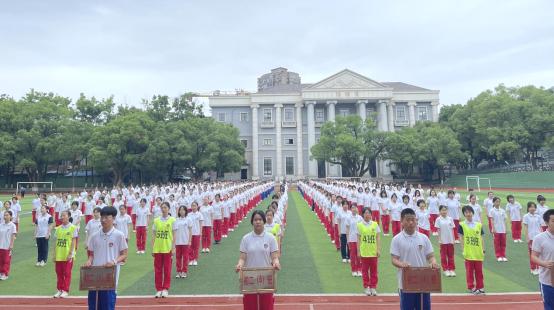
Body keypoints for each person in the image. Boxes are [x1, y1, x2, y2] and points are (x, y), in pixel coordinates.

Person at [390, 208, 438, 310]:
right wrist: (402, 264)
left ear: (416, 220)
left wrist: (433, 263)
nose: (411, 222)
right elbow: (394, 259)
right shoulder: (396, 239)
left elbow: (431, 256)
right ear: (402, 221)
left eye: (413, 219)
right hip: (406, 283)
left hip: (423, 282)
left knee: (424, 308)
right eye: (407, 220)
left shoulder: (424, 238)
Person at [83, 206, 128, 310]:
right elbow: (91, 254)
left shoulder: (119, 235)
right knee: (93, 304)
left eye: (107, 217)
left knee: (108, 304)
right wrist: (89, 261)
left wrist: (114, 261)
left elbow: (124, 254)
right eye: (102, 217)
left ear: (113, 218)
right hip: (95, 275)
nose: (103, 220)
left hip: (110, 274)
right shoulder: (94, 236)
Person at [236, 210, 280, 310]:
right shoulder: (246, 239)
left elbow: (274, 257)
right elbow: (242, 258)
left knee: (267, 306)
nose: (258, 222)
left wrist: (276, 263)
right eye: (255, 220)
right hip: (250, 278)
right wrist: (239, 265)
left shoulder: (270, 238)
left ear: (264, 221)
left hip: (266, 278)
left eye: (260, 219)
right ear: (252, 222)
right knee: (250, 305)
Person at [458, 205, 486, 295]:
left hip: (478, 252)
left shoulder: (478, 224)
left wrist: (483, 249)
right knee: (469, 271)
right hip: (468, 252)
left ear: (472, 213)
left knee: (479, 271)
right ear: (464, 214)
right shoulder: (461, 225)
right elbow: (461, 238)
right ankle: (471, 287)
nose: (468, 214)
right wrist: (463, 250)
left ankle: (480, 287)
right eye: (466, 212)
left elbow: (481, 238)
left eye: (469, 212)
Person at [531, 209, 554, 310]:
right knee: (549, 307)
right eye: (553, 221)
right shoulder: (539, 238)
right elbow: (533, 256)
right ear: (546, 222)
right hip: (547, 282)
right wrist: (544, 263)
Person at [152, 202, 176, 298]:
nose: (163, 209)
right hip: (157, 249)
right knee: (158, 270)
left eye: (165, 207)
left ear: (169, 209)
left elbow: (174, 235)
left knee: (167, 270)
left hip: (167, 249)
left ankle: (165, 288)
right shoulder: (156, 220)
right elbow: (153, 234)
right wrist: (153, 248)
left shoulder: (173, 220)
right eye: (162, 207)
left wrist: (173, 247)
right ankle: (158, 289)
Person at [53, 210, 78, 298]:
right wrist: (54, 254)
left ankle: (65, 290)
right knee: (59, 273)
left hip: (68, 255)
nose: (62, 217)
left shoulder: (73, 228)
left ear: (69, 216)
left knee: (67, 273)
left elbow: (74, 241)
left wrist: (70, 253)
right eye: (61, 215)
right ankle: (59, 289)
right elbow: (55, 242)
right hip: (59, 255)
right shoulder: (58, 228)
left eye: (64, 215)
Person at [357, 207, 381, 296]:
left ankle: (373, 287)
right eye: (365, 213)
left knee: (374, 271)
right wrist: (358, 251)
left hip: (373, 252)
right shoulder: (359, 225)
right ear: (363, 214)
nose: (367, 215)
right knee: (365, 271)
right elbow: (358, 239)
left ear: (371, 214)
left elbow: (378, 237)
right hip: (364, 252)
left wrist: (378, 249)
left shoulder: (375, 224)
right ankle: (366, 287)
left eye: (369, 213)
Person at [435, 205, 456, 277]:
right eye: (442, 210)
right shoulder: (438, 219)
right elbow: (438, 230)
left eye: (445, 210)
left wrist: (453, 239)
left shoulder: (450, 218)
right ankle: (445, 269)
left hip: (450, 240)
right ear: (440, 211)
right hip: (443, 241)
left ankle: (452, 269)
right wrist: (439, 240)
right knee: (443, 256)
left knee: (451, 255)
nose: (444, 211)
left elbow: (452, 229)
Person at [523, 202, 542, 275]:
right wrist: (527, 237)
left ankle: (538, 268)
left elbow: (540, 227)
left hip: (538, 237)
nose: (532, 208)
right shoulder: (526, 216)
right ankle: (533, 268)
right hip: (531, 238)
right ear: (528, 208)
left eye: (534, 207)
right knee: (532, 253)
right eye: (531, 207)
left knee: (539, 253)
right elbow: (526, 228)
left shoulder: (538, 216)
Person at [174, 206, 192, 278]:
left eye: (183, 210)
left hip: (185, 241)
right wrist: (174, 241)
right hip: (178, 242)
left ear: (185, 211)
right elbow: (174, 231)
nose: (181, 211)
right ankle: (178, 271)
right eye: (180, 210)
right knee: (178, 257)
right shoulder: (176, 220)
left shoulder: (188, 219)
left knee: (185, 257)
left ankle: (184, 271)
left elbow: (190, 231)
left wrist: (190, 240)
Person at [490, 197, 508, 262]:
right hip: (496, 229)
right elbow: (491, 220)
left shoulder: (502, 210)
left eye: (498, 201)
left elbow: (505, 220)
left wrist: (506, 228)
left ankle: (503, 255)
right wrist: (493, 228)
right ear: (494, 202)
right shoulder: (492, 210)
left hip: (502, 229)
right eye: (496, 202)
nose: (498, 203)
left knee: (503, 243)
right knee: (497, 243)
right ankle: (498, 256)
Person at [0, 210, 17, 281]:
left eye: (7, 215)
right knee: (0, 260)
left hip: (7, 246)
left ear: (10, 216)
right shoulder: (1, 224)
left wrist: (11, 245)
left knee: (6, 260)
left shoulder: (12, 225)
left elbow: (13, 235)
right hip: (0, 245)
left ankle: (5, 274)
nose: (5, 216)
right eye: (4, 215)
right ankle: (1, 272)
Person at [346, 204, 362, 277]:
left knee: (359, 255)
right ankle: (354, 270)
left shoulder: (360, 218)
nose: (353, 209)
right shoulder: (348, 218)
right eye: (352, 208)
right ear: (350, 209)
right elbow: (347, 229)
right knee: (353, 256)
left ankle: (359, 269)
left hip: (359, 240)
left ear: (356, 209)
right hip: (352, 239)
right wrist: (348, 240)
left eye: (354, 208)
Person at [187, 201, 204, 266]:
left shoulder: (199, 214)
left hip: (197, 233)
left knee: (196, 247)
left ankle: (195, 259)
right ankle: (191, 259)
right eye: (192, 206)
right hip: (190, 234)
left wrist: (200, 232)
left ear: (197, 206)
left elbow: (200, 224)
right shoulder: (188, 215)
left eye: (195, 206)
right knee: (190, 247)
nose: (193, 207)